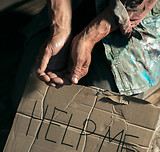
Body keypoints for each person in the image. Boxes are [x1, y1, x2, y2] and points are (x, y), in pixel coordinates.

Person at [13, 0, 160, 109]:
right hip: (76, 4)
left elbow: (136, 4)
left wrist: (88, 38)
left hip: (131, 11)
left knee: (105, 107)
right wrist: (60, 29)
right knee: (26, 97)